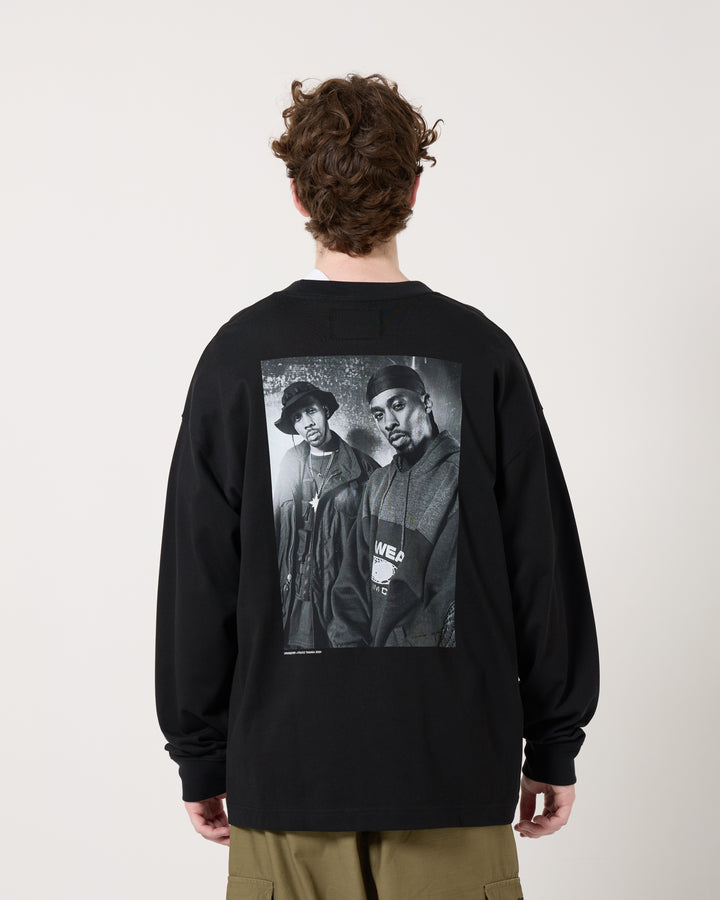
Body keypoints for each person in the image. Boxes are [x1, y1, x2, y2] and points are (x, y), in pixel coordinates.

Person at [155, 72, 600, 900]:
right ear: (414, 191)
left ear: (297, 195)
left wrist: (200, 753)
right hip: (452, 770)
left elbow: (196, 574)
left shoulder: (233, 356)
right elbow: (541, 563)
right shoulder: (483, 350)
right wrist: (554, 739)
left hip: (286, 774)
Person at [327, 364, 460, 648]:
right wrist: (351, 654)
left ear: (426, 403)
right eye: (378, 414)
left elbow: (446, 603)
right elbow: (350, 584)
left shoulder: (459, 478)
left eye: (398, 405)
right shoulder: (377, 483)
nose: (388, 422)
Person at [271, 379, 379, 649]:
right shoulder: (290, 463)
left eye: (311, 411)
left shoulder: (364, 469)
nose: (306, 423)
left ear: (325, 411)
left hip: (339, 607)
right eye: (297, 418)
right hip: (293, 603)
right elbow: (275, 533)